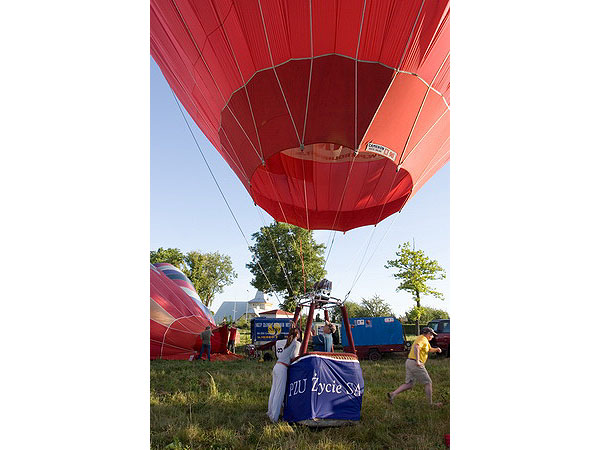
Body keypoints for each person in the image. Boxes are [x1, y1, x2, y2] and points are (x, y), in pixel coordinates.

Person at [387, 326, 442, 405]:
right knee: (428, 382)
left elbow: (429, 349)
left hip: (409, 362)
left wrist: (437, 349)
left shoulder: (424, 340)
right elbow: (417, 347)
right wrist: (417, 361)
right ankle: (430, 404)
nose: (433, 337)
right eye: (432, 335)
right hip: (415, 363)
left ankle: (393, 394)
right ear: (428, 333)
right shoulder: (423, 338)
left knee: (409, 384)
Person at [267, 327, 301, 422]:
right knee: (279, 393)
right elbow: (294, 356)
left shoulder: (287, 342)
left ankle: (270, 412)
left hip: (277, 365)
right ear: (297, 335)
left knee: (273, 391)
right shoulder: (297, 343)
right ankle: (274, 417)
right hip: (283, 368)